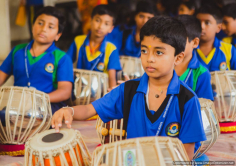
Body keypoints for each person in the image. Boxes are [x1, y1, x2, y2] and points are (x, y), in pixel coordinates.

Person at [52, 16, 206, 161]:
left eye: (159, 52)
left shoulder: (188, 99)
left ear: (178, 58)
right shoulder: (128, 90)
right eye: (144, 50)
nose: (149, 58)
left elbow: (186, 155)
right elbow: (89, 110)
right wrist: (69, 111)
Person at [0, 7, 74, 114]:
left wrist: (38, 100)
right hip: (18, 103)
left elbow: (65, 91)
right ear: (33, 27)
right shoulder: (18, 50)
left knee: (27, 117)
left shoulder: (62, 57)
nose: (44, 29)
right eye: (40, 23)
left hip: (47, 105)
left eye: (50, 27)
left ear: (57, 35)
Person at [67, 5, 121, 88]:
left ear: (111, 29)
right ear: (90, 21)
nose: (100, 26)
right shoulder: (78, 41)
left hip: (100, 93)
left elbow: (112, 78)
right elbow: (66, 63)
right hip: (77, 89)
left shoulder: (111, 49)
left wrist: (112, 97)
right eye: (97, 20)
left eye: (106, 24)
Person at [175, 15, 213, 101]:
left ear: (195, 42)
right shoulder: (163, 64)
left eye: (180, 40)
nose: (174, 45)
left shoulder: (201, 73)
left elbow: (204, 107)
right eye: (171, 40)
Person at [194, 4, 236, 71]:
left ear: (218, 27)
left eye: (207, 23)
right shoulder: (189, 50)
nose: (202, 26)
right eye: (198, 23)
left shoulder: (230, 50)